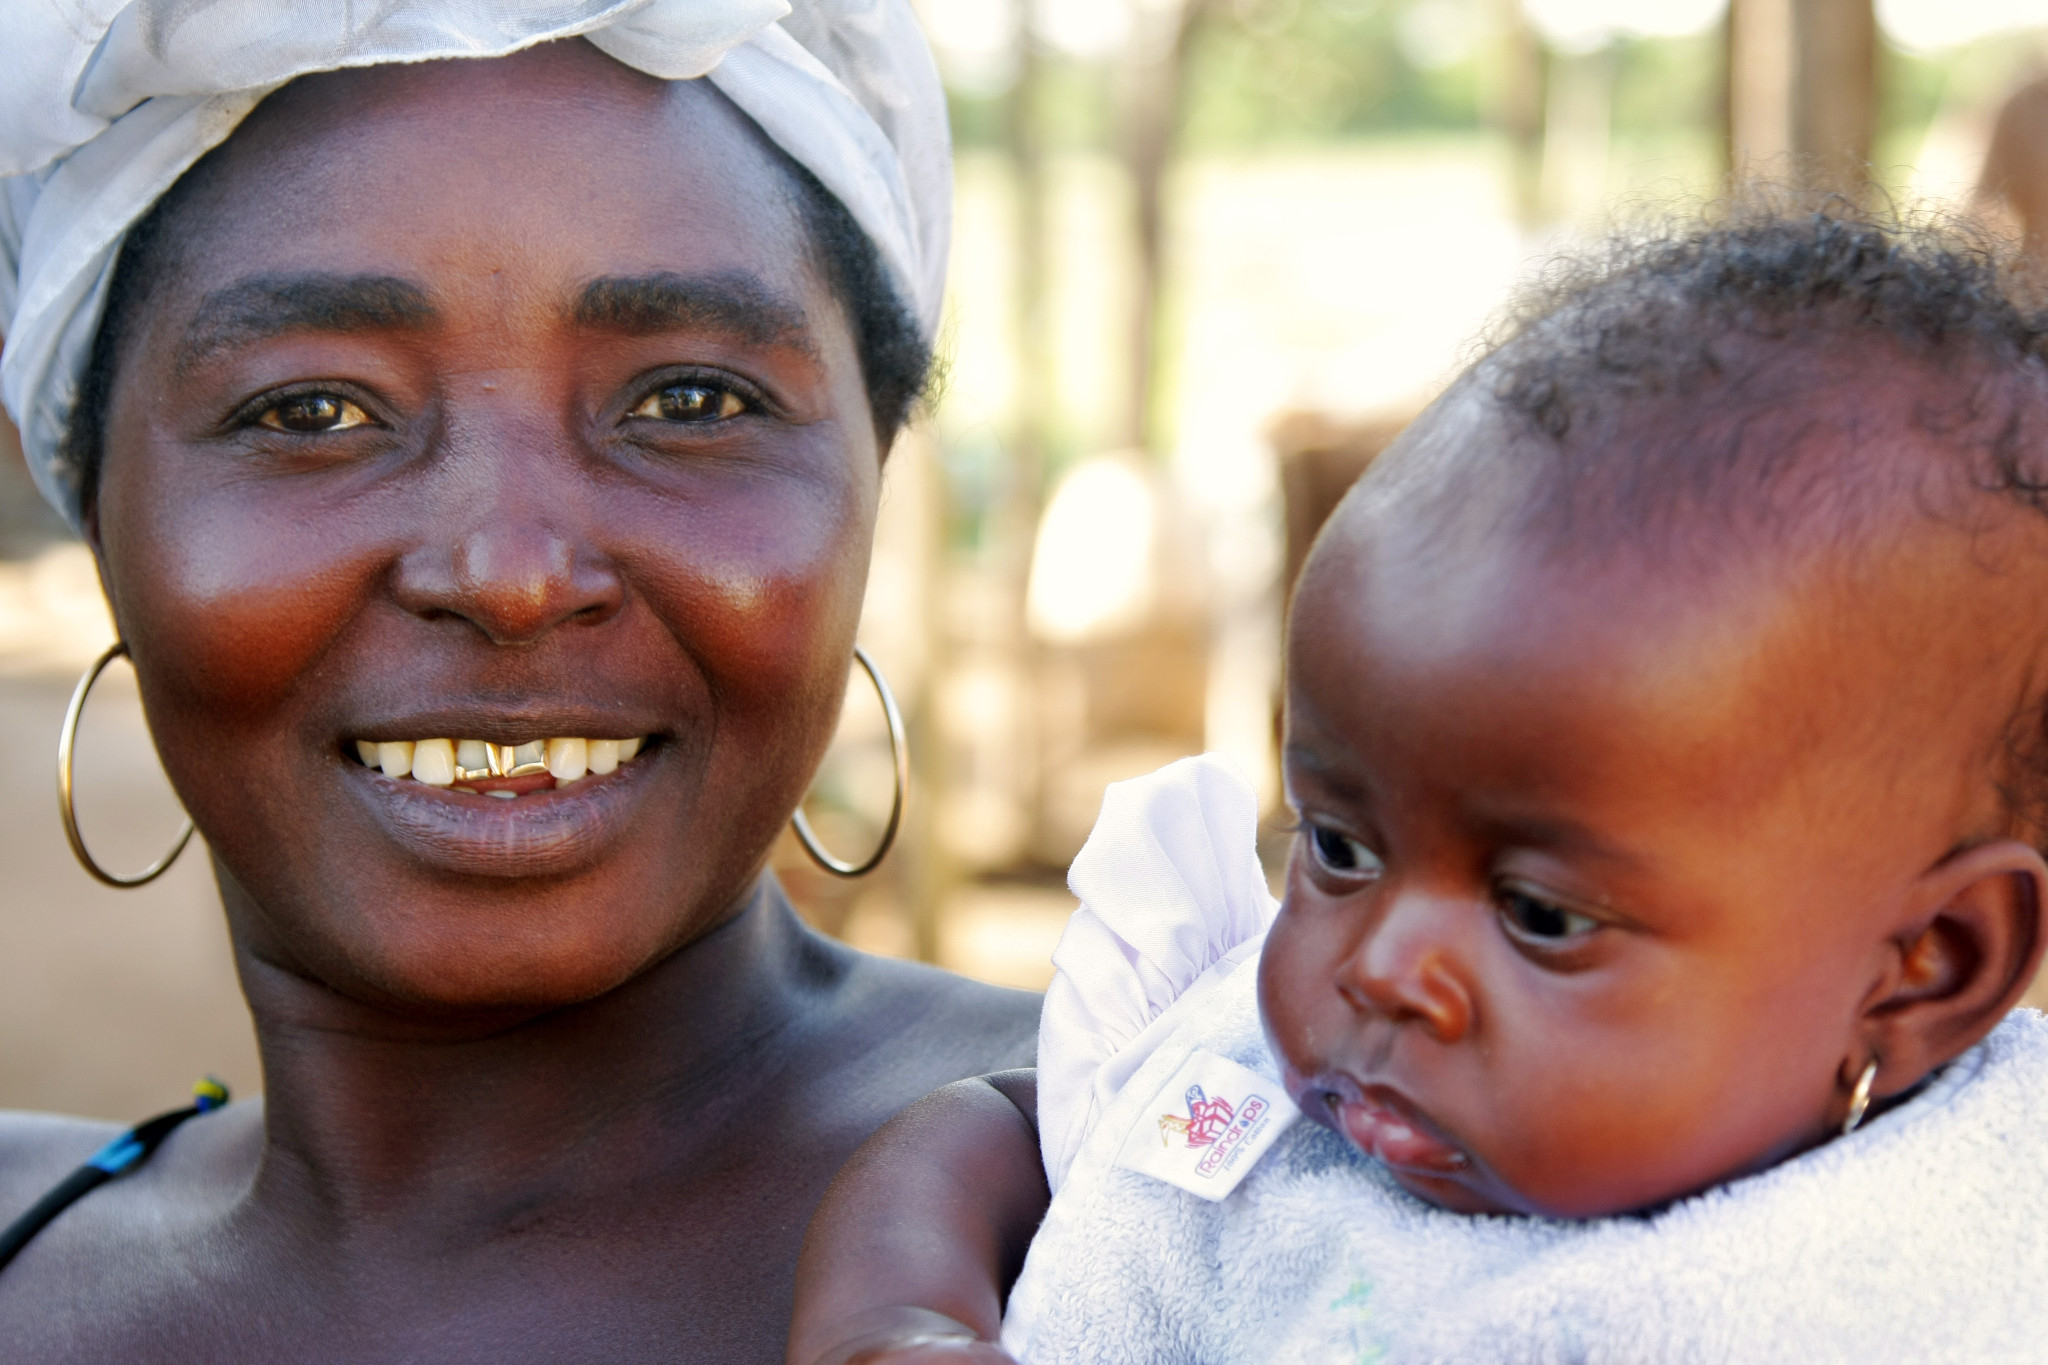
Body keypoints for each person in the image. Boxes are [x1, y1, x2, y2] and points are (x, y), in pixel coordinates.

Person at [787, 203, 2048, 1364]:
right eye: (1338, 844)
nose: (1380, 965)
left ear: (1926, 963)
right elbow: (1019, 1132)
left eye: (1540, 916)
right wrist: (901, 1313)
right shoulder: (1287, 1096)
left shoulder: (1896, 1300)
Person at [0, 5, 1038, 1360]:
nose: (512, 574)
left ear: (872, 474)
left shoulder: (1206, 1188)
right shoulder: (35, 1255)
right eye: (312, 410)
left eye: (691, 402)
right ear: (92, 494)